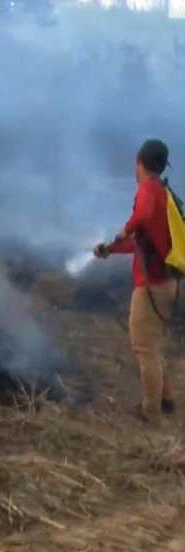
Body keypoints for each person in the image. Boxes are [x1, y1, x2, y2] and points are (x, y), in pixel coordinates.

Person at [94, 138, 176, 423]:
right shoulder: (162, 192)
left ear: (139, 161)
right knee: (152, 343)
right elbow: (142, 242)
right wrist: (111, 249)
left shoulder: (149, 189)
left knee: (144, 346)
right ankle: (166, 400)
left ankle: (150, 412)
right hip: (167, 282)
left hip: (153, 285)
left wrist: (122, 232)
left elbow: (139, 219)